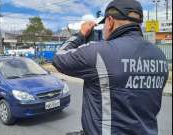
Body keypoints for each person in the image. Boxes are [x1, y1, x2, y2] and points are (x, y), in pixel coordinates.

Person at [53, 0, 169, 135]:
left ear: (110, 21)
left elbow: (58, 58)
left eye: (104, 25)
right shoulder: (160, 56)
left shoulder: (99, 52)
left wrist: (81, 34)